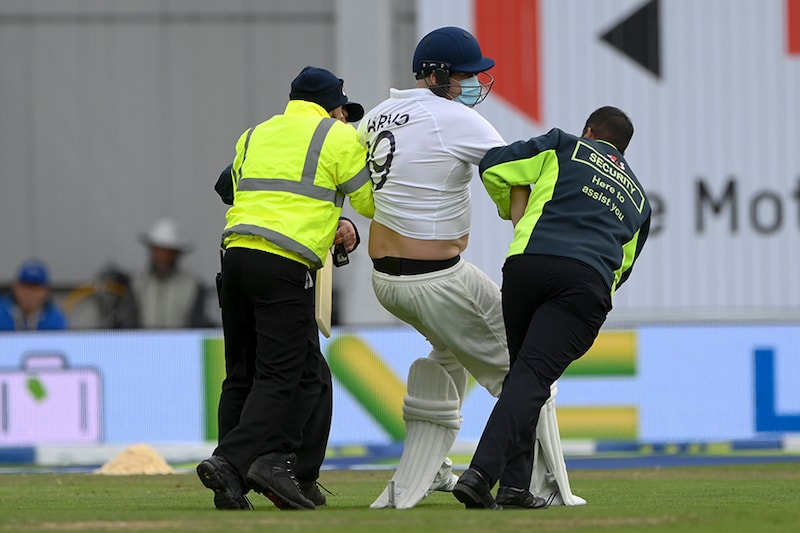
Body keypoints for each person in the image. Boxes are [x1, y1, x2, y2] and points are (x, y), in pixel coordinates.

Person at [358, 26, 581, 510]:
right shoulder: (456, 118)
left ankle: (433, 468)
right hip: (436, 278)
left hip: (385, 281)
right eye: (467, 75)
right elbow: (515, 170)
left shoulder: (375, 117)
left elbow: (353, 183)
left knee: (450, 352)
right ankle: (536, 485)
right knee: (527, 375)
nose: (475, 84)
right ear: (437, 76)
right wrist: (520, 222)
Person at [452, 106, 652, 509]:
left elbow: (495, 165)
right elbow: (623, 267)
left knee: (522, 377)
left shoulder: (564, 145)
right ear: (624, 150)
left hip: (528, 265)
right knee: (533, 377)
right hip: (584, 283)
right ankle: (480, 475)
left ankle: (513, 486)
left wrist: (517, 213)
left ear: (589, 131)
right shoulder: (640, 201)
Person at [196, 65, 373, 511]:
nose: (345, 119)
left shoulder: (255, 134)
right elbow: (371, 199)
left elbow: (227, 187)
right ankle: (233, 463)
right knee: (284, 375)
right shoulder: (338, 137)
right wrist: (335, 218)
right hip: (283, 264)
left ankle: (232, 485)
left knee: (241, 374)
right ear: (333, 106)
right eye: (343, 111)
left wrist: (317, 214)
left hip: (234, 256)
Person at [132, 217, 212, 329]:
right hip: (143, 345)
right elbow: (131, 321)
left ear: (176, 254)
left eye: (167, 252)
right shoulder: (137, 282)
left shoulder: (192, 285)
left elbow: (197, 322)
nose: (163, 257)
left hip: (182, 344)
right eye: (159, 251)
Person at [0, 259, 68, 331]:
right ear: (15, 288)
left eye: (35, 288)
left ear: (46, 292)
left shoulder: (55, 318)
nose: (29, 293)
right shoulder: (2, 313)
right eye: (24, 286)